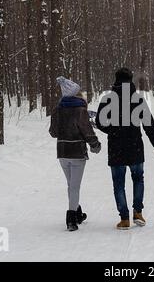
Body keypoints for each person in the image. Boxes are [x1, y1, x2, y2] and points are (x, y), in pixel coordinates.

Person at [96, 68, 154, 230]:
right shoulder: (137, 99)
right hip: (135, 147)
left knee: (118, 184)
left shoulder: (108, 99)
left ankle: (124, 218)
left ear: (116, 80)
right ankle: (138, 212)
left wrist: (113, 130)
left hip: (116, 147)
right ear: (130, 80)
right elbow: (148, 123)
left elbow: (99, 122)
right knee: (138, 179)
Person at [49, 76, 101, 232]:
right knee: (74, 187)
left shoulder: (57, 110)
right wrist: (95, 144)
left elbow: (53, 132)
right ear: (75, 94)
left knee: (71, 185)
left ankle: (77, 213)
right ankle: (71, 218)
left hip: (62, 152)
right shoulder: (80, 110)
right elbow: (86, 130)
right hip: (77, 152)